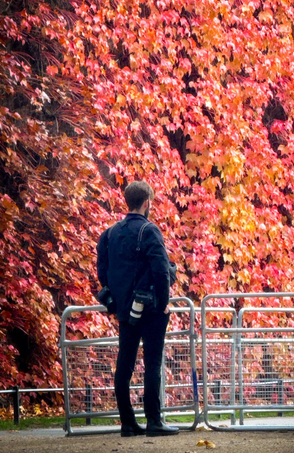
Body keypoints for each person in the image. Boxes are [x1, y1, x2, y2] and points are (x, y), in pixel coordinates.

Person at [97, 180, 179, 437]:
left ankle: (127, 422)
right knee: (152, 362)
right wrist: (164, 304)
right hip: (151, 309)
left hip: (125, 310)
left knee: (125, 363)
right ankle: (154, 420)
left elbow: (103, 272)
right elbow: (161, 271)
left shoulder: (110, 233)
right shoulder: (149, 231)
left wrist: (118, 298)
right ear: (146, 203)